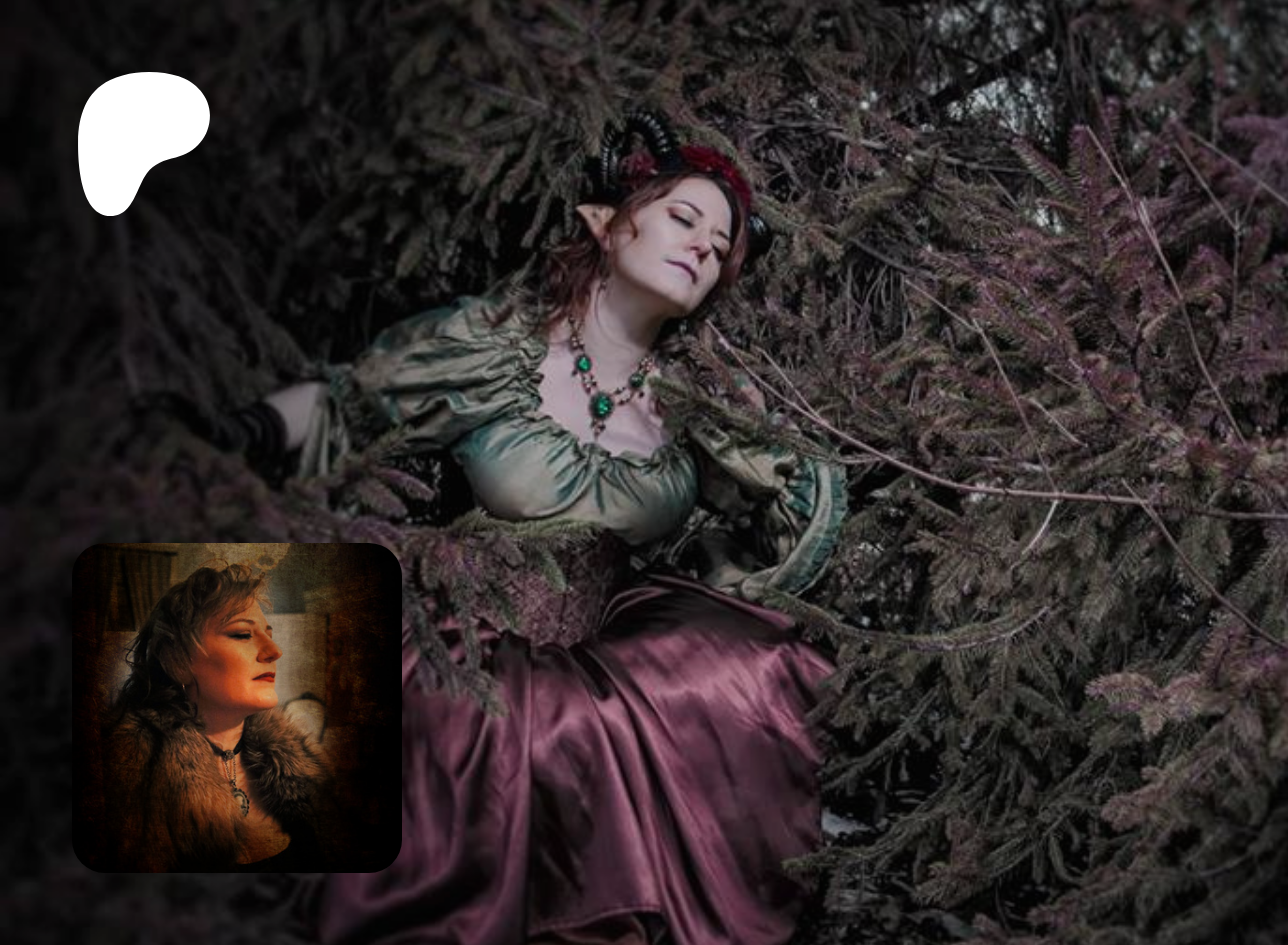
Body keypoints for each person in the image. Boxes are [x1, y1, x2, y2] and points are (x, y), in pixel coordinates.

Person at [227, 111, 845, 945]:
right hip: (454, 626)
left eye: (720, 244)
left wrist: (749, 458)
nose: (703, 246)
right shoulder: (498, 349)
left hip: (597, 650)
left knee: (745, 672)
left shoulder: (697, 410)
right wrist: (244, 433)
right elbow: (354, 400)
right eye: (683, 217)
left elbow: (796, 504)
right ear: (606, 221)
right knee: (453, 718)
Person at [91, 562, 336, 871]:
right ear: (177, 660)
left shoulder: (301, 767)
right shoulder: (120, 781)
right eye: (242, 634)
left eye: (269, 635)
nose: (274, 651)